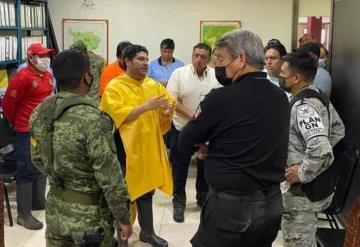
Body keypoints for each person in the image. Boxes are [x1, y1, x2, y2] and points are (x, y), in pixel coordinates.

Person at [178, 29, 290, 247]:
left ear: (241, 59)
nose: (216, 66)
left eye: (220, 59)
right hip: (272, 205)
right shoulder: (280, 97)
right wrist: (217, 149)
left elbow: (184, 141)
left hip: (233, 209)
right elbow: (250, 139)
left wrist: (207, 147)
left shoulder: (220, 98)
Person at [29, 49, 132, 245]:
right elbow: (110, 177)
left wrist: (62, 177)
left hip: (56, 211)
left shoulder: (40, 112)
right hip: (90, 219)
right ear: (87, 77)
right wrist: (123, 217)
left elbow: (36, 158)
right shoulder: (94, 120)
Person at [100, 44, 175, 247]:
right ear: (127, 61)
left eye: (146, 58)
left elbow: (167, 106)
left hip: (148, 148)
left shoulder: (153, 85)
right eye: (140, 59)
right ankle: (121, 237)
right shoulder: (115, 87)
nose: (145, 63)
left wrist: (166, 112)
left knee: (146, 190)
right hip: (125, 151)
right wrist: (146, 107)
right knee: (124, 194)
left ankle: (147, 232)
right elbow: (116, 117)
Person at [278, 51, 345, 247]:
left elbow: (321, 149)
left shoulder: (304, 107)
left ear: (296, 77)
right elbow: (338, 130)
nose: (280, 76)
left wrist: (303, 170)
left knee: (298, 242)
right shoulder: (317, 95)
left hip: (302, 195)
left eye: (283, 73)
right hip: (311, 189)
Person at [1, 43, 55, 230]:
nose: (46, 59)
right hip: (25, 130)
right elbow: (8, 105)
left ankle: (38, 202)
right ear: (31, 57)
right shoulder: (21, 78)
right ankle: (23, 215)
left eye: (47, 55)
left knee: (41, 166)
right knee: (27, 169)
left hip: (43, 129)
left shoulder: (47, 76)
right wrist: (17, 123)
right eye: (41, 56)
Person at [166, 42, 221, 223]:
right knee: (180, 168)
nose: (198, 60)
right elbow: (172, 100)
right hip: (182, 129)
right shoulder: (179, 74)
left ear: (209, 58)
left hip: (207, 132)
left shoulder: (215, 76)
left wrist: (203, 122)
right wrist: (195, 117)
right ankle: (179, 202)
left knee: (205, 167)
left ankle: (202, 198)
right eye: (196, 56)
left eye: (203, 57)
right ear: (192, 55)